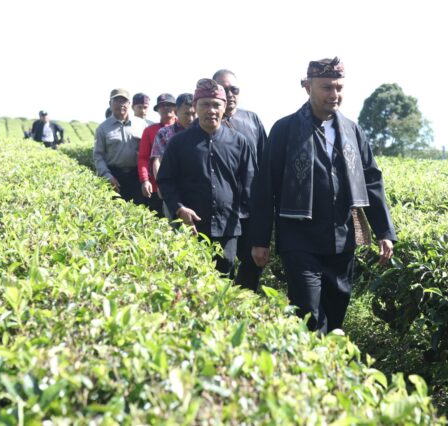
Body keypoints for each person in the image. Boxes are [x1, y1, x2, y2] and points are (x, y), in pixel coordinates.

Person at [250, 57, 396, 333]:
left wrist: (384, 231)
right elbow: (265, 185)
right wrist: (259, 239)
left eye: (339, 88)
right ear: (307, 87)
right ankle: (307, 368)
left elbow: (372, 180)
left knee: (336, 311)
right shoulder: (284, 129)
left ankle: (330, 368)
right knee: (307, 311)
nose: (334, 95)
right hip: (298, 236)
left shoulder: (352, 130)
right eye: (327, 88)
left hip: (341, 236)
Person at [157, 79, 256, 277]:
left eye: (216, 104)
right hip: (191, 227)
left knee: (224, 280)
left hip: (227, 229)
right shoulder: (179, 143)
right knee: (190, 280)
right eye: (205, 104)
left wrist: (251, 227)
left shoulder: (239, 142)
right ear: (195, 107)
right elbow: (165, 180)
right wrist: (179, 208)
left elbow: (250, 186)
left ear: (224, 107)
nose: (211, 110)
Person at [213, 69, 268, 292]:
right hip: (221, 207)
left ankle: (242, 305)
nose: (230, 94)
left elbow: (265, 159)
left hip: (251, 206)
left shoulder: (252, 119)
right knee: (222, 265)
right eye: (224, 89)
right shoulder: (207, 123)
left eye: (234, 89)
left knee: (254, 261)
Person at [93, 88, 148, 205]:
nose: (121, 104)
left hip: (137, 176)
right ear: (110, 104)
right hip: (115, 177)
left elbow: (147, 152)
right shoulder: (103, 128)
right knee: (117, 213)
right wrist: (107, 175)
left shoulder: (141, 124)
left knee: (140, 212)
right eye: (116, 101)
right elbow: (98, 156)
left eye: (124, 101)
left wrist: (145, 178)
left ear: (129, 104)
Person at [138, 93, 176, 217]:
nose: (166, 108)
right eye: (162, 106)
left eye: (169, 105)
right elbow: (143, 157)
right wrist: (145, 180)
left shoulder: (185, 127)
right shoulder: (149, 131)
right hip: (157, 186)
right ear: (157, 110)